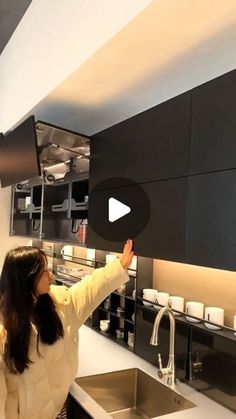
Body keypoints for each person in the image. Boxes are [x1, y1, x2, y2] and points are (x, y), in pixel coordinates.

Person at [0, 239, 134, 419]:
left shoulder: (59, 304)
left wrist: (120, 266)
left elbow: (90, 289)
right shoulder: (4, 332)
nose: (50, 275)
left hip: (57, 412)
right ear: (27, 279)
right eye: (43, 271)